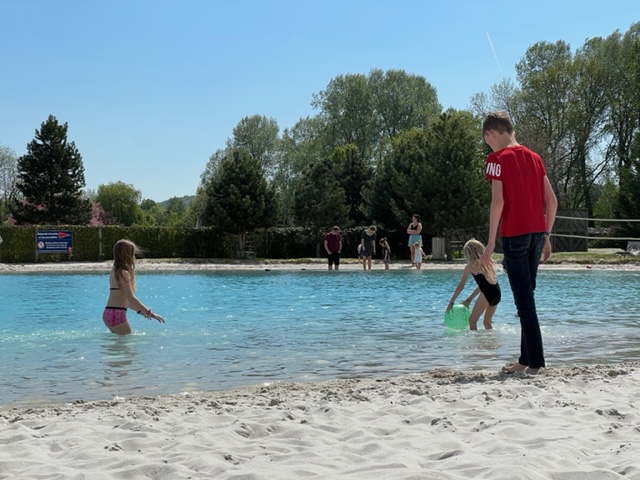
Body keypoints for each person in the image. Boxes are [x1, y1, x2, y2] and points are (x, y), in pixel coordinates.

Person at [480, 111, 557, 374]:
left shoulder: (495, 159)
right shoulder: (536, 158)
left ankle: (536, 363)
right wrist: (547, 236)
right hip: (537, 235)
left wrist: (490, 242)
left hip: (514, 236)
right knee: (527, 299)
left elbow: (497, 202)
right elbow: (552, 201)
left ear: (492, 133)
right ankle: (524, 360)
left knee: (524, 303)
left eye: (487, 140)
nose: (488, 146)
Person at [103, 239, 165, 335]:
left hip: (108, 313)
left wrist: (141, 311)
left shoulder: (114, 271)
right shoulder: (124, 273)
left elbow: (123, 301)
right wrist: (150, 312)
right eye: (132, 254)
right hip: (117, 315)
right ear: (127, 255)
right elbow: (131, 298)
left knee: (118, 347)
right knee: (128, 347)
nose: (134, 257)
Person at [447, 239, 501, 330]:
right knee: (486, 323)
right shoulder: (488, 262)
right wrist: (469, 300)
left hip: (487, 294)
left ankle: (475, 344)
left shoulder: (470, 266)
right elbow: (484, 285)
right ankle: (491, 343)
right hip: (497, 293)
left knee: (472, 321)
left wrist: (451, 302)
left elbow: (461, 286)